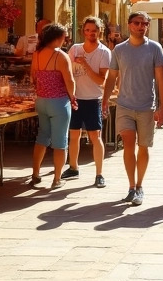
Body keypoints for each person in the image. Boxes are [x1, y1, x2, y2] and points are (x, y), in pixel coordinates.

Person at [102, 11, 163, 206]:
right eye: (137, 23)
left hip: (147, 106)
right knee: (128, 145)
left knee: (143, 147)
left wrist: (162, 107)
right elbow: (112, 76)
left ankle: (140, 185)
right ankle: (131, 186)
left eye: (144, 23)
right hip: (124, 105)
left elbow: (161, 80)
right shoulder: (119, 50)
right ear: (129, 25)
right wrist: (104, 101)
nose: (141, 26)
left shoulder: (154, 48)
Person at [29, 23, 76, 189]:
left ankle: (35, 174)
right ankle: (57, 179)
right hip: (59, 103)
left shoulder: (37, 53)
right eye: (64, 37)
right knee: (60, 142)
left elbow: (33, 77)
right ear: (57, 38)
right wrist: (73, 97)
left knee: (42, 138)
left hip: (41, 101)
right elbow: (69, 80)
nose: (65, 40)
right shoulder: (61, 56)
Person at [66, 16, 111, 187]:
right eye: (87, 30)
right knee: (74, 135)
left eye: (94, 31)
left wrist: (85, 64)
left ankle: (99, 173)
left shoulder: (104, 52)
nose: (91, 34)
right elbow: (67, 72)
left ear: (100, 31)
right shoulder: (75, 49)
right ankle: (73, 167)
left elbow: (101, 80)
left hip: (93, 99)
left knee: (95, 136)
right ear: (83, 31)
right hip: (75, 98)